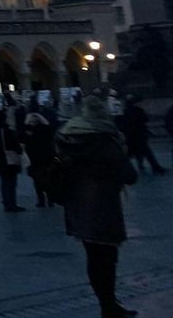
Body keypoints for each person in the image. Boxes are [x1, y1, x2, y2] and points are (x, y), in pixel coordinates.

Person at [57, 95, 140, 317]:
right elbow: (130, 175)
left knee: (93, 257)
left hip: (76, 204)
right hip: (103, 206)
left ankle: (106, 303)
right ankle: (109, 305)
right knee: (107, 259)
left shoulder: (66, 135)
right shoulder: (104, 139)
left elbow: (58, 164)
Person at [0, 109, 25, 212]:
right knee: (11, 182)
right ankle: (11, 203)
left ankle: (7, 202)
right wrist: (19, 150)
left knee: (4, 182)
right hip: (8, 160)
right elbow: (14, 145)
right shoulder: (6, 130)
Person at [122, 96, 166, 175]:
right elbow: (144, 119)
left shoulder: (124, 111)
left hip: (130, 135)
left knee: (131, 153)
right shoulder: (138, 110)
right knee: (146, 152)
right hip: (139, 135)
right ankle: (155, 167)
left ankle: (133, 167)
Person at [23, 111, 56, 207]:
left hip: (37, 158)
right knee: (45, 179)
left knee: (39, 180)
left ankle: (43, 199)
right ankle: (48, 199)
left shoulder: (32, 129)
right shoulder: (43, 128)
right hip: (42, 157)